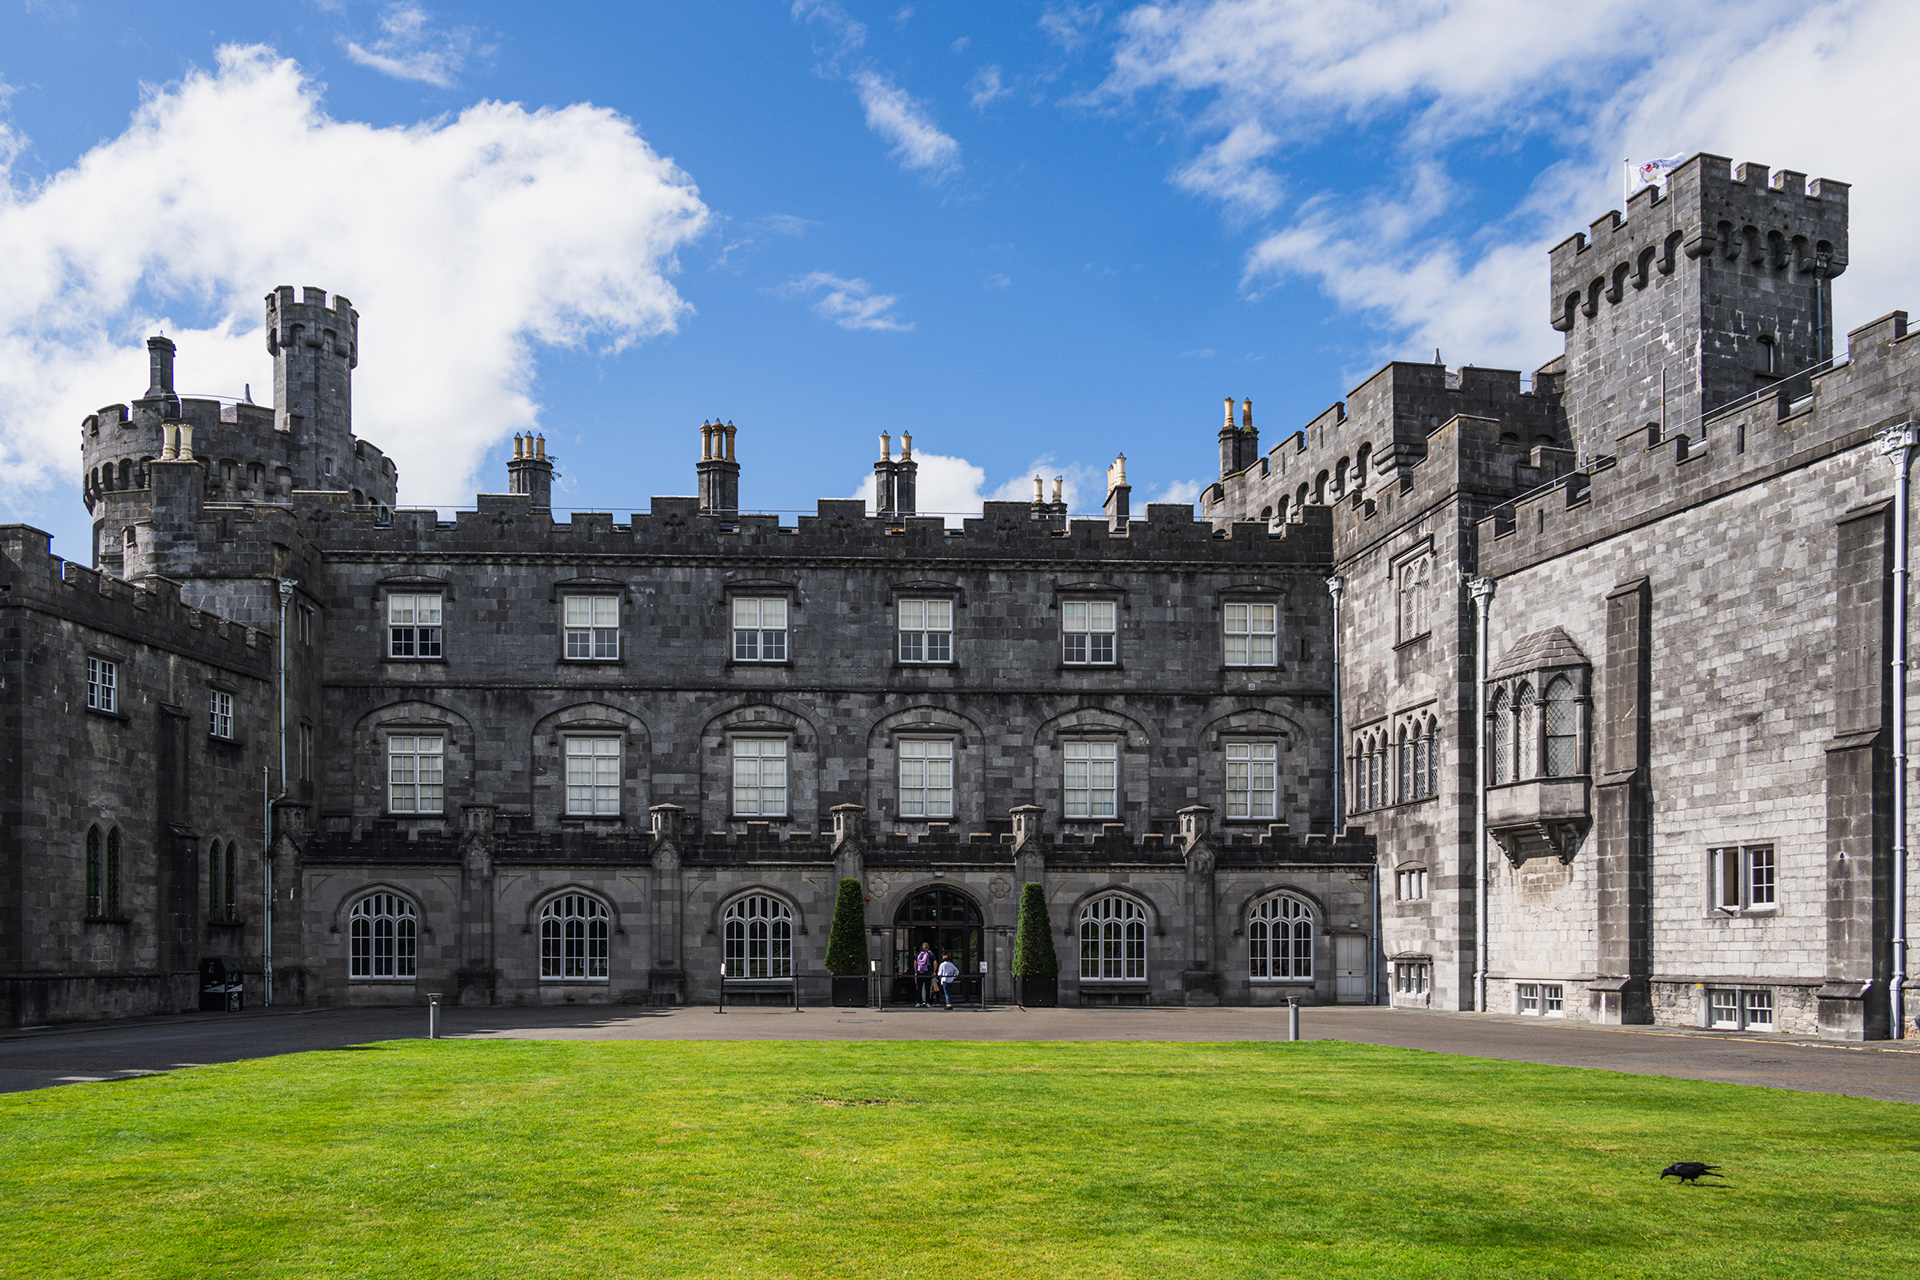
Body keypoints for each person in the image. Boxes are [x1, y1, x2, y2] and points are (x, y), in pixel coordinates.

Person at [913, 941, 935, 1006]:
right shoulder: (931, 954)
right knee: (927, 988)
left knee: (919, 987)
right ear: (928, 947)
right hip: (928, 973)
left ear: (922, 948)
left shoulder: (918, 954)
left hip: (919, 973)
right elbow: (935, 963)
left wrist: (916, 971)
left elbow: (915, 963)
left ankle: (918, 1002)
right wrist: (934, 971)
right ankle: (927, 1002)